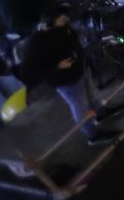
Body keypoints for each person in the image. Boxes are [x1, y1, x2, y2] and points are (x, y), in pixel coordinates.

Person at [16, 10, 116, 144]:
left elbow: (73, 41)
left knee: (91, 94)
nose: (66, 20)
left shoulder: (64, 29)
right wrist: (57, 67)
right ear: (49, 24)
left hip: (80, 68)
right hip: (66, 81)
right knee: (80, 106)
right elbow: (28, 72)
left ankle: (100, 113)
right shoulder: (36, 43)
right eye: (62, 20)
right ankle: (93, 135)